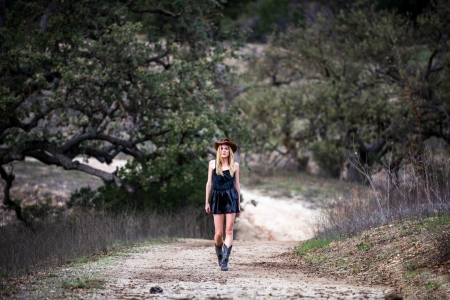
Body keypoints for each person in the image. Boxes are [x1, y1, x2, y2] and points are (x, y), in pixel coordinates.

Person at [205, 138, 241, 271]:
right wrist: (207, 201)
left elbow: (237, 185)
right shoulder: (212, 164)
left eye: (226, 148)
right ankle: (219, 254)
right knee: (219, 233)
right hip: (217, 198)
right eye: (222, 148)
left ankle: (225, 260)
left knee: (229, 230)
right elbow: (209, 184)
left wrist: (238, 203)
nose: (224, 150)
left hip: (231, 197)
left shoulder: (235, 165)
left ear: (230, 151)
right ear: (219, 150)